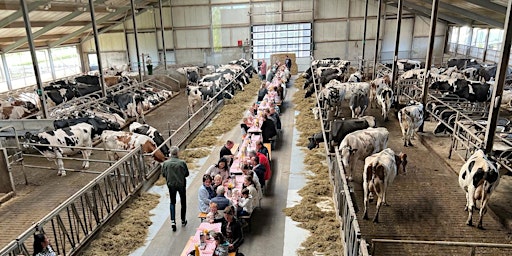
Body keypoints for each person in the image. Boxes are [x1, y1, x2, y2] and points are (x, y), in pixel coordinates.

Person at [161, 146, 189, 231]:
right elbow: (186, 174)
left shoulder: (165, 163)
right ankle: (183, 220)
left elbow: (163, 174)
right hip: (181, 184)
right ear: (177, 153)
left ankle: (173, 221)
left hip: (171, 185)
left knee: (172, 202)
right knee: (183, 202)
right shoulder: (182, 163)